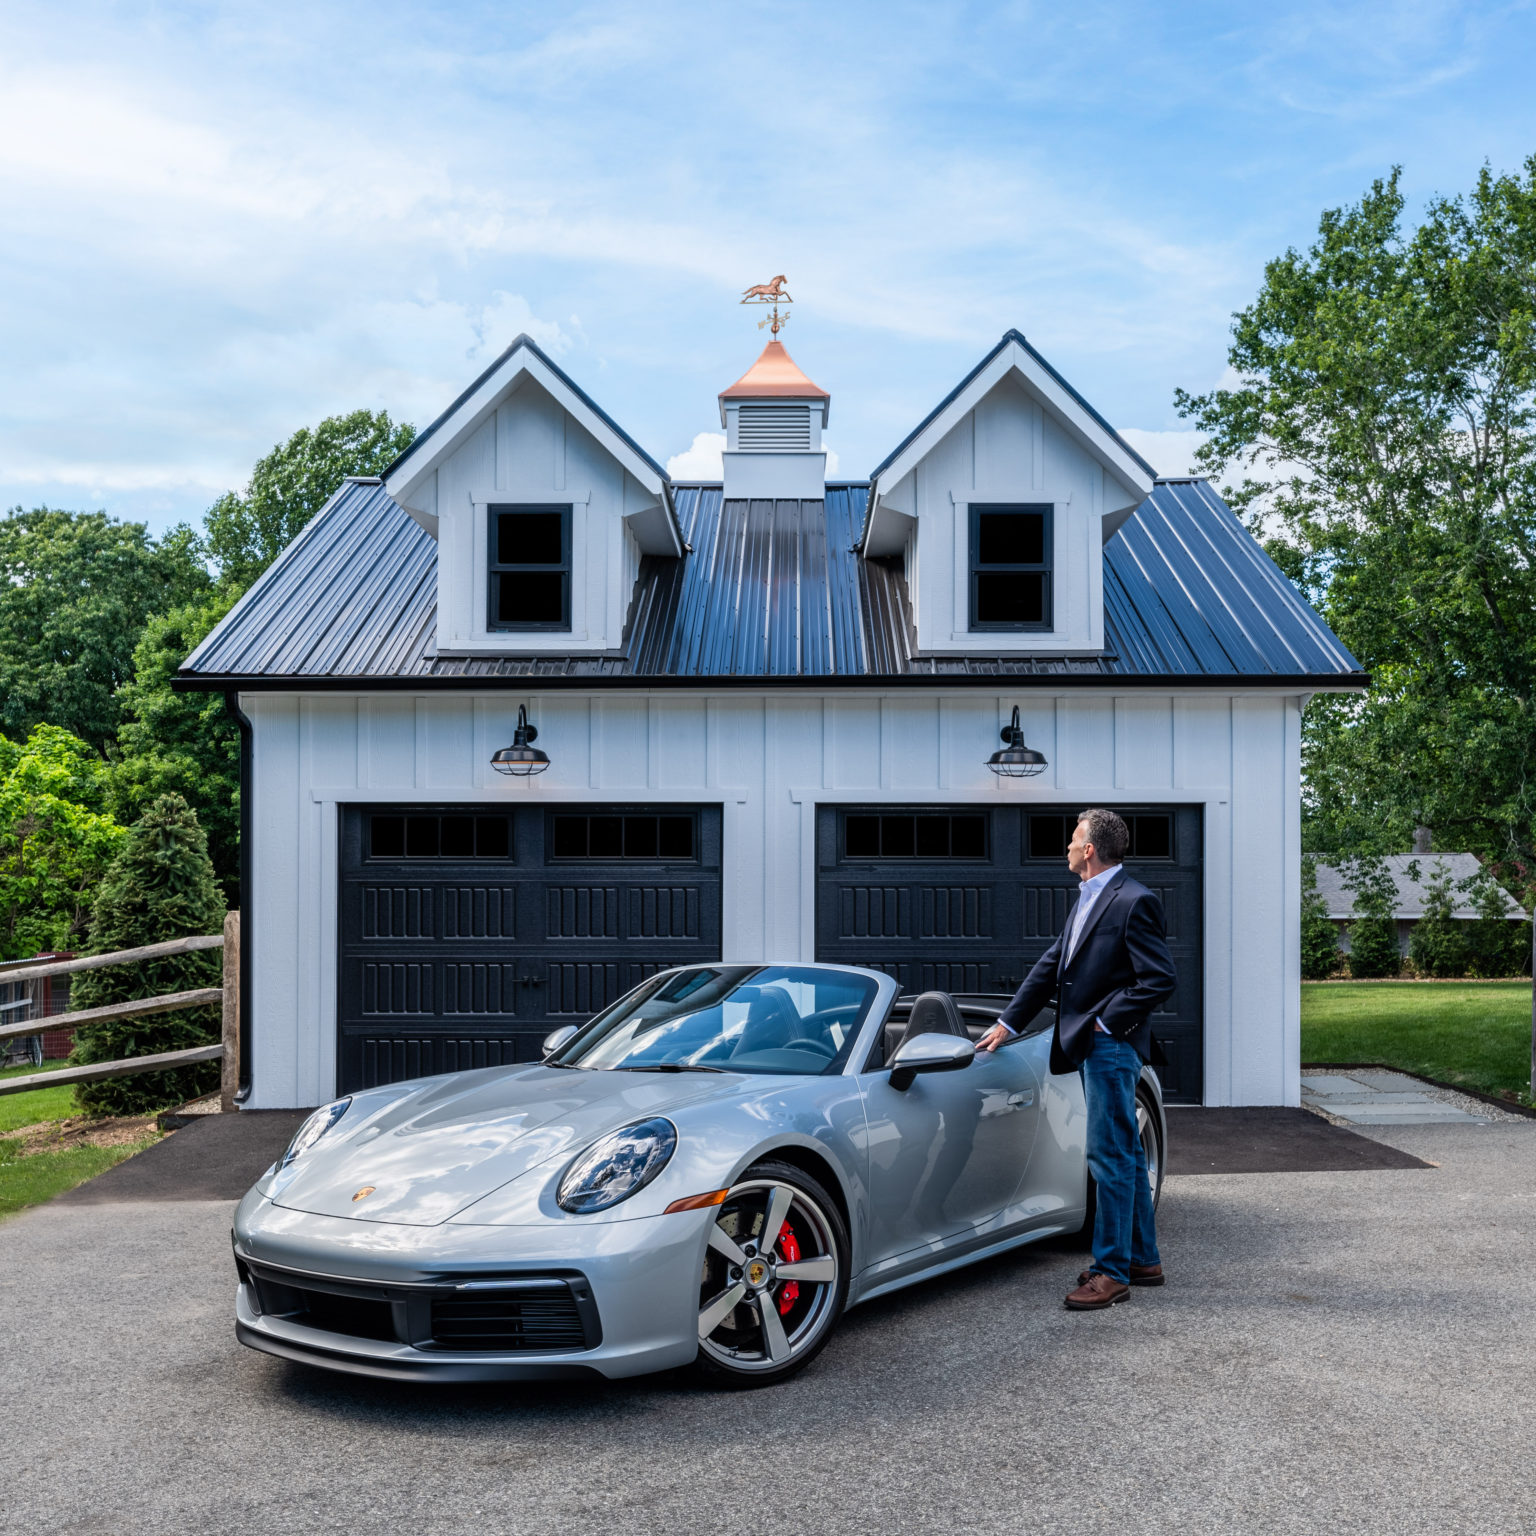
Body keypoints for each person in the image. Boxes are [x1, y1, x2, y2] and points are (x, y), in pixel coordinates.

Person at [976, 808, 1177, 1310]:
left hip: (1109, 1047)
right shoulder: (1087, 899)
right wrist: (1008, 1023)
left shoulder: (1134, 900)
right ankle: (1142, 1259)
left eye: (1072, 840)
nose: (1066, 847)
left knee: (1106, 1156)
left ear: (1090, 850)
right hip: (1097, 1046)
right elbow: (1054, 964)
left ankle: (1111, 1273)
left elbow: (1158, 978)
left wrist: (1105, 1023)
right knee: (1127, 1154)